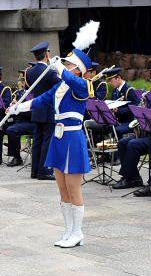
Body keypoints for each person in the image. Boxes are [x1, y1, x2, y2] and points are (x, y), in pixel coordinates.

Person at [11, 48, 95, 248]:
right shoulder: (60, 86)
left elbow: (76, 82)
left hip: (73, 138)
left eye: (68, 64)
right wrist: (17, 108)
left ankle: (78, 232)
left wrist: (58, 67)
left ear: (77, 69)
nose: (64, 66)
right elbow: (40, 101)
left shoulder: (81, 84)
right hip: (59, 138)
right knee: (62, 188)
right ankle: (68, 231)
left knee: (74, 188)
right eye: (64, 63)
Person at [26, 41, 60, 180]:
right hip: (48, 110)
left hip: (36, 109)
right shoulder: (49, 72)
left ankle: (34, 171)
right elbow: (60, 85)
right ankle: (44, 171)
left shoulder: (30, 72)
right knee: (47, 141)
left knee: (37, 141)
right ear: (46, 54)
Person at [5, 67, 36, 167]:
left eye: (22, 80)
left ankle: (17, 158)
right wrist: (11, 109)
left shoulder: (33, 93)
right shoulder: (20, 93)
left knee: (12, 130)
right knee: (2, 127)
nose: (20, 83)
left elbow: (32, 113)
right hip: (21, 121)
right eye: (19, 80)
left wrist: (18, 108)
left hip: (32, 122)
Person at [104, 68, 139, 137]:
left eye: (111, 80)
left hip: (128, 121)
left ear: (118, 78)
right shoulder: (115, 91)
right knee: (101, 127)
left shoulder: (129, 90)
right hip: (117, 120)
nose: (110, 83)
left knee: (116, 130)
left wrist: (118, 110)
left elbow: (135, 108)